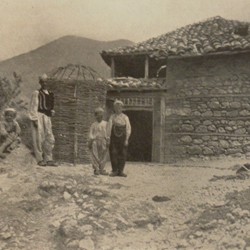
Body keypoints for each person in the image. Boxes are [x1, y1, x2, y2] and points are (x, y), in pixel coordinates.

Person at [29, 74, 58, 167]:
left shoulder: (50, 93)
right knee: (39, 137)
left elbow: (51, 106)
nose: (45, 83)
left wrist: (51, 111)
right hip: (39, 115)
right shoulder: (36, 93)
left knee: (49, 137)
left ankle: (48, 158)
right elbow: (33, 106)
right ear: (40, 83)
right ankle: (40, 159)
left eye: (46, 81)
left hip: (47, 117)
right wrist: (34, 119)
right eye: (43, 82)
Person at [107, 100, 131, 177]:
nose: (118, 109)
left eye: (119, 107)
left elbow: (128, 128)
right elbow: (109, 127)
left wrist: (127, 139)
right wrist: (108, 138)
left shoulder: (125, 117)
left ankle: (120, 171)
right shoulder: (112, 117)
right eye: (116, 107)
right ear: (114, 108)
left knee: (123, 153)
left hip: (123, 137)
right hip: (114, 137)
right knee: (113, 152)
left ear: (122, 108)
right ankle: (114, 170)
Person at [88, 107, 109, 175]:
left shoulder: (106, 124)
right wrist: (91, 139)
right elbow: (91, 133)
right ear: (96, 116)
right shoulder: (93, 124)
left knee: (103, 154)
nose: (99, 117)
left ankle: (102, 169)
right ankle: (96, 169)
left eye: (101, 115)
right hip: (95, 140)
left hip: (103, 140)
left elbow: (108, 133)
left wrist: (108, 139)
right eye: (98, 115)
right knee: (95, 154)